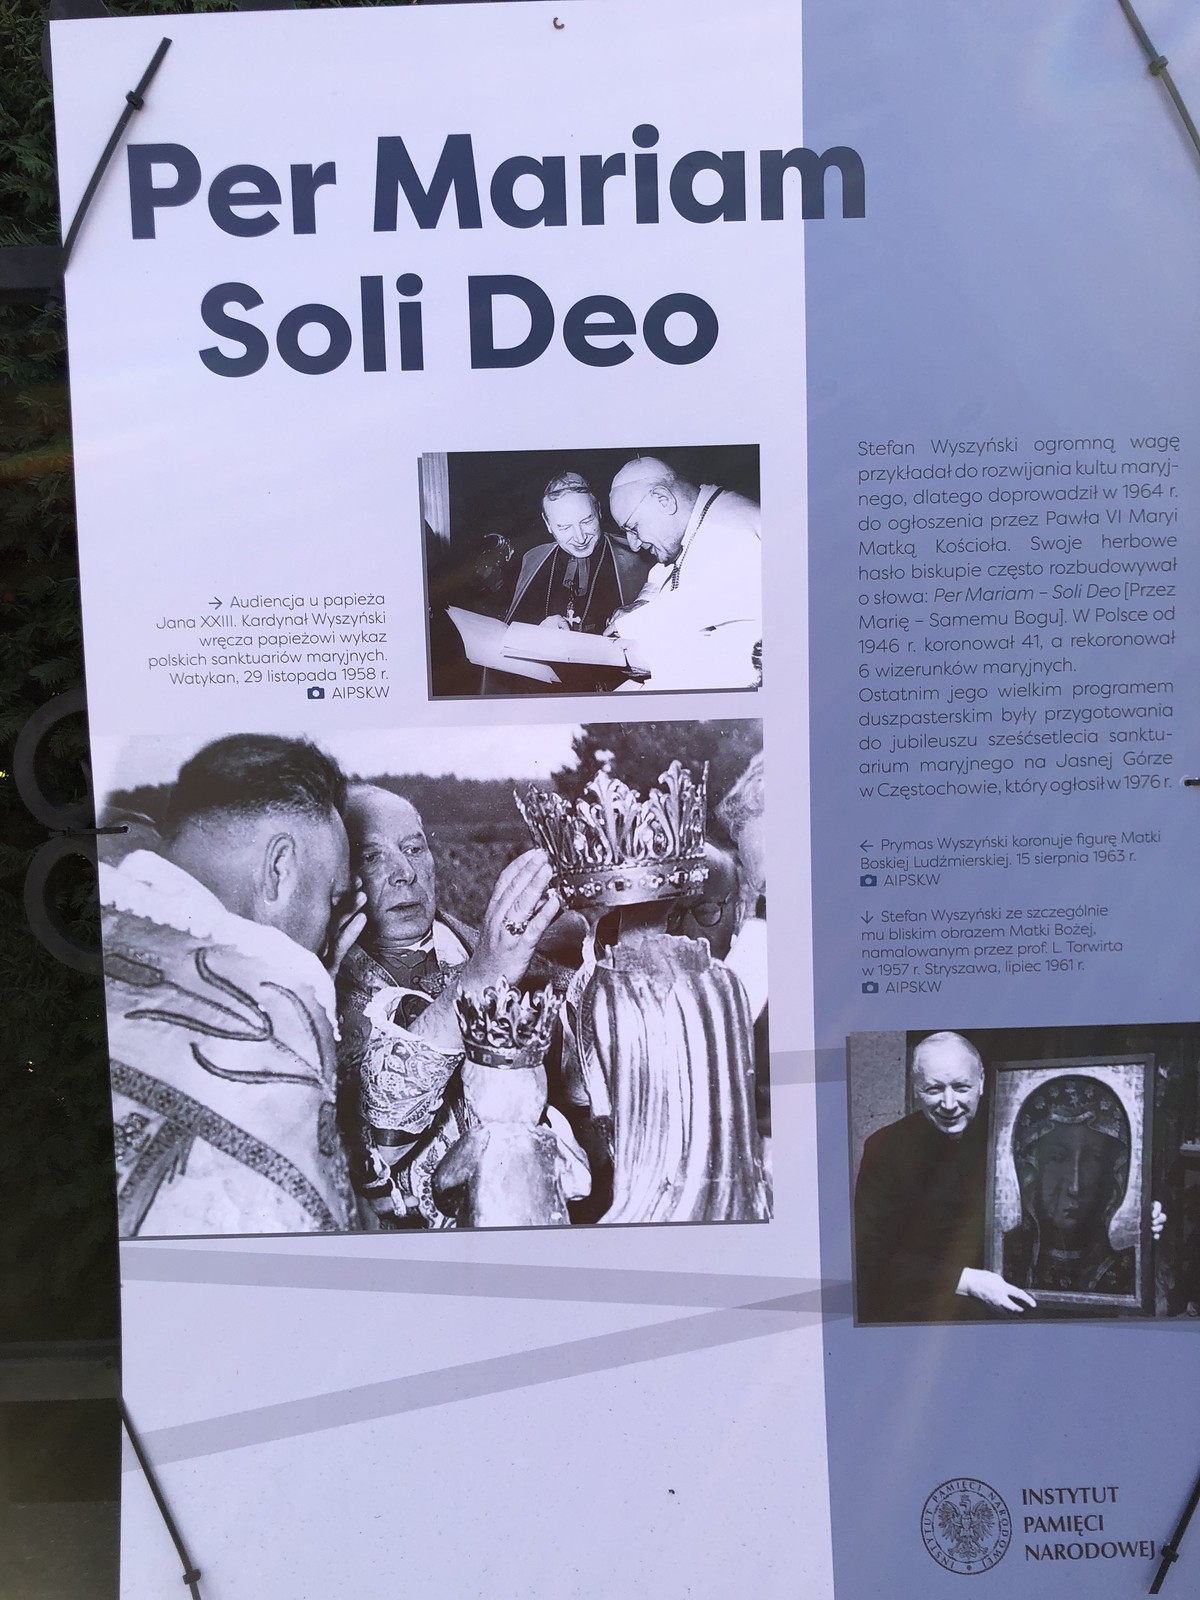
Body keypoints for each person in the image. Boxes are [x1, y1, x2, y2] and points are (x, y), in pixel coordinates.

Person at [99, 735, 365, 1238]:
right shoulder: (275, 1017)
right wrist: (301, 1011)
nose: (329, 936)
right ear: (279, 868)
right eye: (333, 899)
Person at [336, 784, 561, 1227]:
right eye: (372, 856)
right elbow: (371, 1145)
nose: (405, 872)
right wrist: (478, 980)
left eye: (413, 848)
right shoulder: (321, 989)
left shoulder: (496, 951)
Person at [854, 1032, 1036, 1323]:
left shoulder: (1017, 1136)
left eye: (961, 1087)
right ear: (916, 1089)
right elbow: (871, 1257)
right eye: (934, 1089)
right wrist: (968, 1281)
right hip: (924, 1313)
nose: (949, 1104)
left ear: (981, 1082)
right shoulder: (885, 1148)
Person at [605, 456, 762, 692]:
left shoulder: (735, 536)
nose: (633, 545)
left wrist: (653, 658)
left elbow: (747, 661)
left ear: (664, 500)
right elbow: (666, 573)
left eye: (633, 528)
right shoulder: (699, 520)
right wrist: (643, 604)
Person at [483, 472, 648, 694]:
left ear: (598, 511)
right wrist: (536, 636)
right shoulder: (533, 560)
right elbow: (509, 642)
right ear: (548, 524)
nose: (580, 538)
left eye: (587, 521)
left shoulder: (638, 556)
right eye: (564, 527)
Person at [1002, 1075, 1136, 1297]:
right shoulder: (1006, 1255)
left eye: (1094, 1158)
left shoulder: (1126, 1265)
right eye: (1057, 1158)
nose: (1075, 1187)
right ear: (1032, 1168)